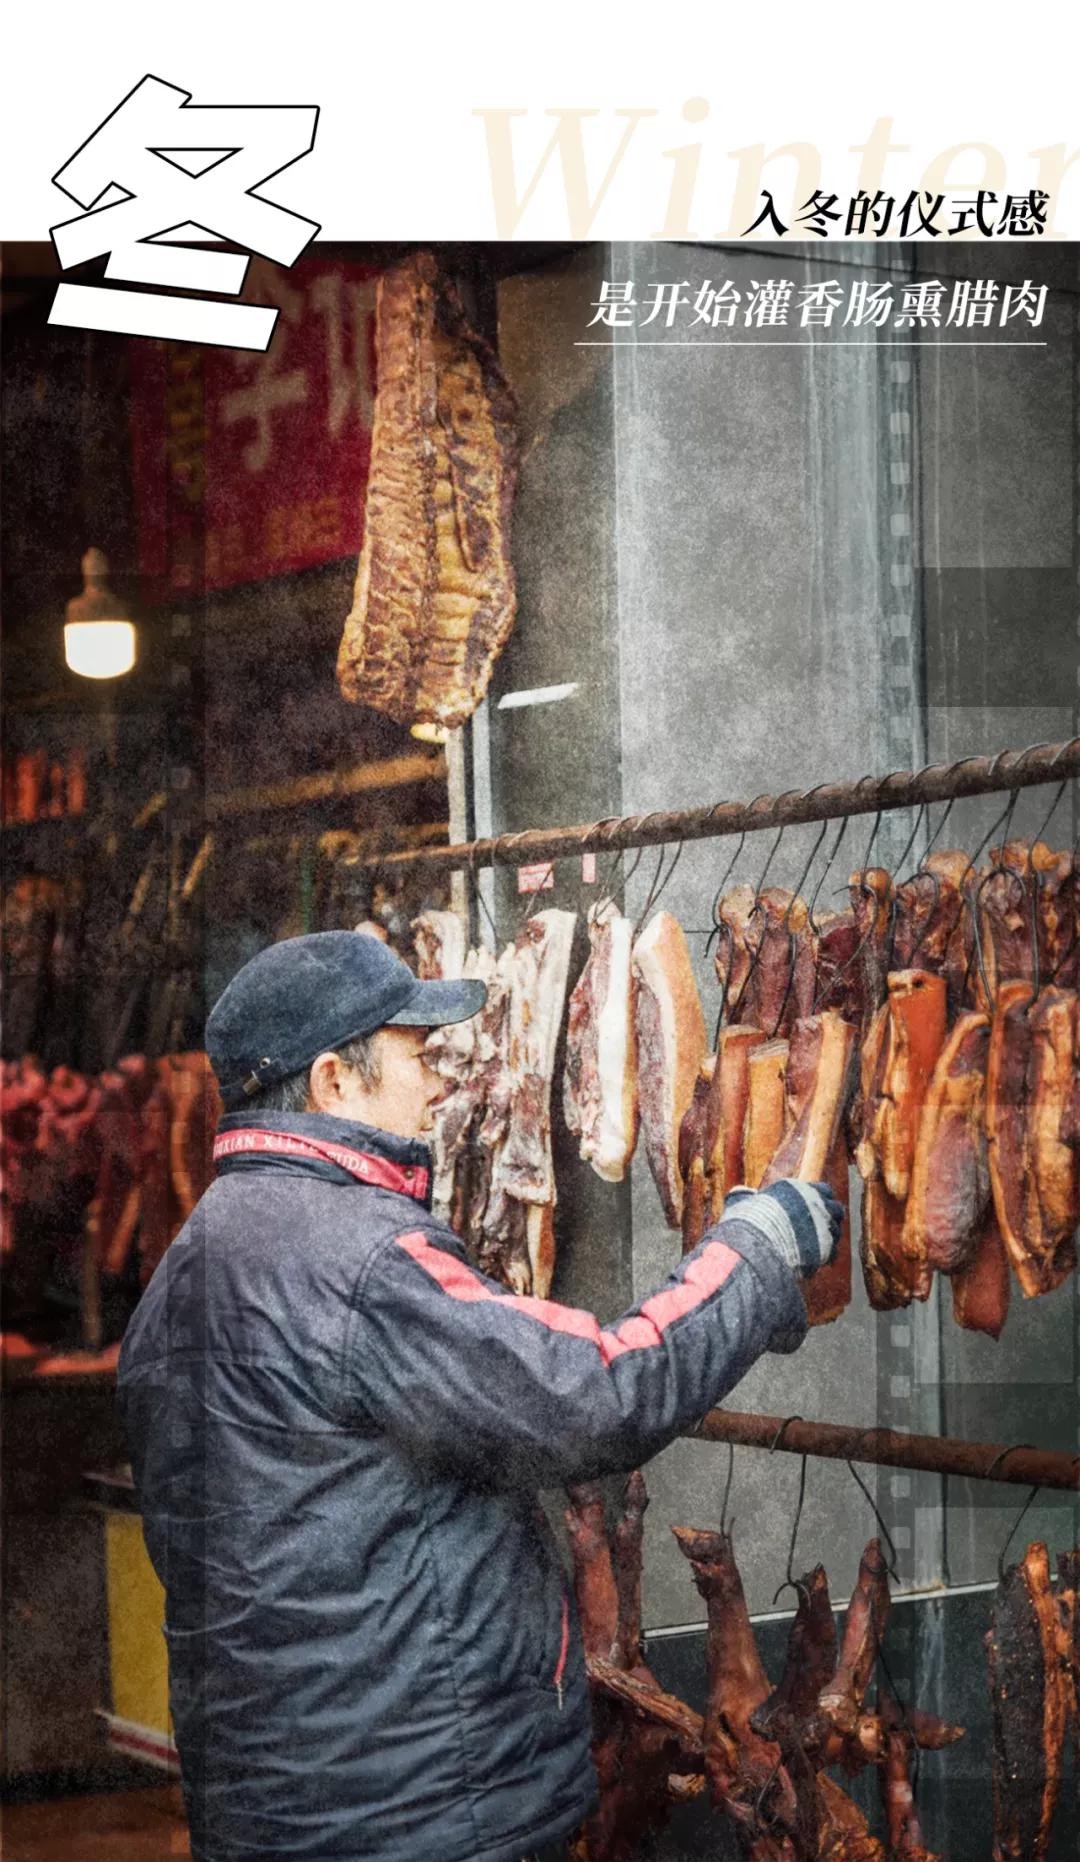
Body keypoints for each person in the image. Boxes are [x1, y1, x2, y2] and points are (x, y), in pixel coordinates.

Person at [117, 930, 844, 1862]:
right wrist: (756, 1251)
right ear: (335, 1081)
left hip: (273, 1812)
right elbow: (597, 1393)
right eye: (416, 1056)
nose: (437, 1083)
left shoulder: (183, 1273)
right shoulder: (359, 1258)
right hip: (415, 1816)